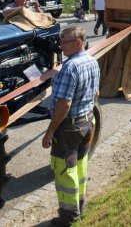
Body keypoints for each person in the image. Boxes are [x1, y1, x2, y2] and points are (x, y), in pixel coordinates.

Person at [41, 25, 100, 226]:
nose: (60, 46)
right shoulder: (92, 61)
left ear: (78, 42)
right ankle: (79, 209)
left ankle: (68, 219)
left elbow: (64, 104)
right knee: (80, 167)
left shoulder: (70, 67)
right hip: (87, 122)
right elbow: (96, 94)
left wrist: (49, 132)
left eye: (64, 42)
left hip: (69, 128)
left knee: (64, 171)